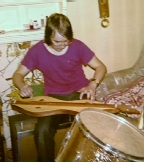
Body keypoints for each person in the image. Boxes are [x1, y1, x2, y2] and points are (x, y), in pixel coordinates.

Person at [12, 13, 107, 162]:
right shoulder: (36, 51)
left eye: (66, 41)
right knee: (42, 131)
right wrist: (22, 85)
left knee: (98, 122)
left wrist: (93, 84)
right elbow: (17, 75)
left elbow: (100, 67)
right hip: (54, 96)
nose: (62, 45)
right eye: (57, 41)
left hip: (80, 93)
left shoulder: (77, 46)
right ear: (47, 37)